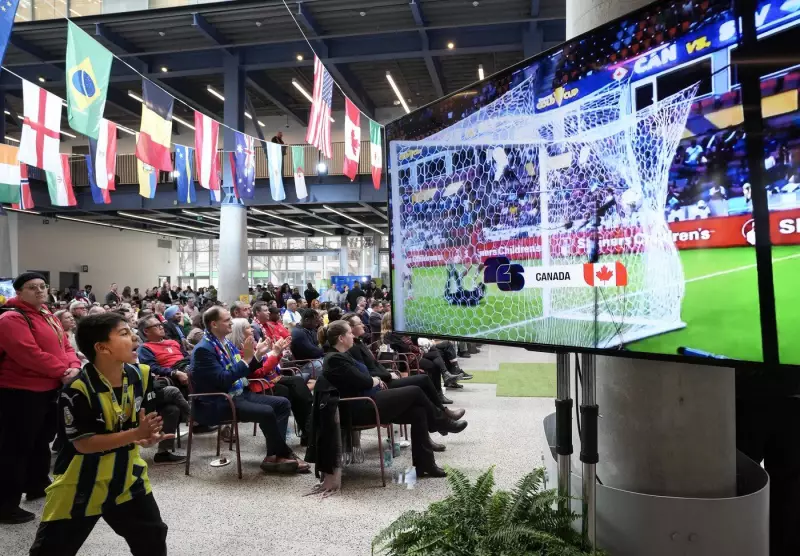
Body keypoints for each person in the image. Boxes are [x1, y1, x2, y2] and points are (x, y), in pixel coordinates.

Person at [28, 312, 170, 555]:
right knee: (51, 550)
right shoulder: (77, 389)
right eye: (124, 333)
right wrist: (136, 433)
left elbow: (139, 425)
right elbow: (84, 444)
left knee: (152, 539)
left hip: (127, 477)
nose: (134, 337)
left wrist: (146, 437)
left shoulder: (141, 375)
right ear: (102, 348)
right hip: (80, 483)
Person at [322, 321, 467, 478]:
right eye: (349, 333)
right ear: (341, 338)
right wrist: (375, 380)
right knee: (416, 391)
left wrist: (374, 379)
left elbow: (365, 375)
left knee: (418, 412)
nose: (352, 335)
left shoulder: (343, 355)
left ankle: (425, 464)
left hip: (369, 398)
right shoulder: (335, 359)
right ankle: (442, 422)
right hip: (360, 406)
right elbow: (363, 380)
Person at [0, 272, 83, 524]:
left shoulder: (47, 314)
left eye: (42, 286)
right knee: (15, 448)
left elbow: (66, 345)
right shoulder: (11, 318)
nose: (39, 290)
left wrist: (74, 366)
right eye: (32, 287)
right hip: (20, 392)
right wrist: (63, 371)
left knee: (41, 441)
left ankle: (36, 484)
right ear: (18, 292)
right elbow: (29, 354)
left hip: (49, 388)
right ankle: (5, 505)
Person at [190, 307, 308, 474]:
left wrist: (257, 355)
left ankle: (273, 456)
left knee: (282, 404)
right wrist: (246, 359)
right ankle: (282, 454)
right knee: (266, 411)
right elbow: (222, 380)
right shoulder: (204, 349)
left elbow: (244, 371)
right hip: (218, 401)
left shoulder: (225, 343)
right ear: (214, 324)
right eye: (226, 320)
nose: (231, 323)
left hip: (238, 394)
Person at [343, 312, 464, 440]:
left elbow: (375, 365)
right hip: (382, 383)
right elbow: (368, 372)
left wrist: (388, 372)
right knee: (421, 384)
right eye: (359, 323)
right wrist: (388, 375)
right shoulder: (353, 348)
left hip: (387, 375)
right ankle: (442, 419)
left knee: (425, 379)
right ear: (350, 329)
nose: (363, 325)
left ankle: (441, 418)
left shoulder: (359, 343)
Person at [228, 319, 313, 445]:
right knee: (289, 390)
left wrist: (278, 352)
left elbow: (267, 365)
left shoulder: (252, 345)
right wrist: (275, 353)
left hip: (268, 380)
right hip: (257, 384)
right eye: (248, 327)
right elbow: (258, 372)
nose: (252, 329)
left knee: (298, 383)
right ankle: (302, 434)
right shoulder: (239, 350)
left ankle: (308, 430)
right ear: (239, 332)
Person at [291, 309, 325, 380]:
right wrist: (325, 350)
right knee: (329, 366)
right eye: (316, 320)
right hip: (305, 365)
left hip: (314, 360)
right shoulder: (298, 333)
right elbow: (312, 352)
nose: (318, 322)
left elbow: (317, 345)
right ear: (307, 320)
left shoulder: (310, 329)